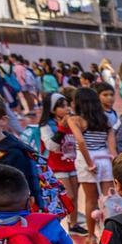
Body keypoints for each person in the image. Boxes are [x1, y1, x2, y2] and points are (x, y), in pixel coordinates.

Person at [65, 88, 113, 244]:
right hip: (105, 157)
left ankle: (92, 236)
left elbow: (80, 141)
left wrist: (90, 163)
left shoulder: (75, 120)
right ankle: (111, 233)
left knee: (90, 200)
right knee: (108, 199)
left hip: (87, 159)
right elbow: (111, 142)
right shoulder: (105, 118)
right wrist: (113, 159)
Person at [37, 93, 81, 235]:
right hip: (57, 165)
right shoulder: (47, 125)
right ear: (52, 109)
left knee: (75, 195)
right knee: (69, 196)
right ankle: (59, 225)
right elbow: (51, 146)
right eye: (61, 106)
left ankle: (73, 224)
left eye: (67, 105)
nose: (66, 108)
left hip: (72, 163)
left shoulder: (72, 121)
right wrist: (61, 129)